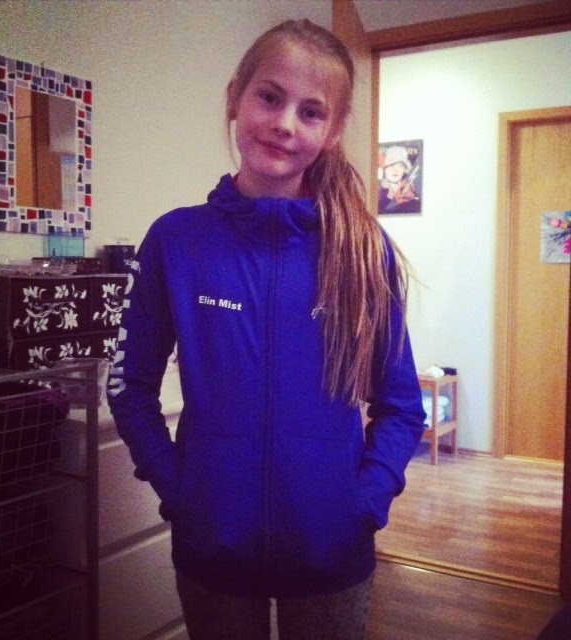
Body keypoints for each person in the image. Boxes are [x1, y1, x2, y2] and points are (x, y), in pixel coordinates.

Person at [107, 18, 425, 640]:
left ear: (333, 131)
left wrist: (364, 502)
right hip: (213, 551)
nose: (285, 124)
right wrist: (178, 489)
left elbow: (401, 406)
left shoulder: (364, 251)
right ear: (236, 97)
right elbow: (129, 386)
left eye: (311, 111)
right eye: (270, 97)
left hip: (333, 555)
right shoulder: (177, 241)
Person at [378, 145, 421, 214]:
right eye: (391, 165)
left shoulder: (411, 192)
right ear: (384, 169)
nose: (396, 170)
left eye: (400, 165)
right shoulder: (377, 192)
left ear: (404, 169)